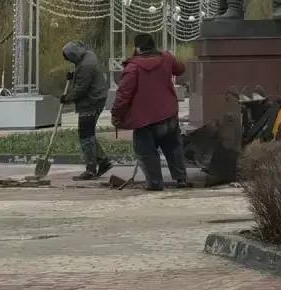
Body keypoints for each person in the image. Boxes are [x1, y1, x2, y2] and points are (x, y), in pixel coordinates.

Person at [111, 33, 189, 190]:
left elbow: (123, 95)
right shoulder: (166, 58)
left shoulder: (133, 67)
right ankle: (181, 178)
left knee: (146, 152)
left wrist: (116, 115)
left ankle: (155, 183)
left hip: (145, 120)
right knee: (173, 147)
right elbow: (180, 69)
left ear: (137, 48)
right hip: (168, 114)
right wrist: (168, 56)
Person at [61, 41, 111, 180]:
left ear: (73, 55)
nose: (70, 61)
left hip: (91, 102)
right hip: (97, 98)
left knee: (85, 136)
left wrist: (67, 98)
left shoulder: (85, 66)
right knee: (89, 134)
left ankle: (91, 169)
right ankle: (103, 161)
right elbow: (82, 75)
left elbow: (81, 89)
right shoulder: (88, 55)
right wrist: (74, 75)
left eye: (70, 59)